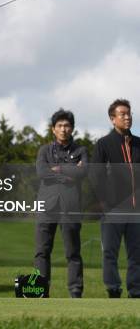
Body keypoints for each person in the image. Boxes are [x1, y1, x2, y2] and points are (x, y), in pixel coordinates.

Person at [34, 109, 87, 298]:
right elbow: (41, 173)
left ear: (72, 128)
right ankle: (40, 291)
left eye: (67, 125)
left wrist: (58, 168)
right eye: (60, 126)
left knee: (73, 252)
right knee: (42, 252)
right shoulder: (44, 151)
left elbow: (82, 173)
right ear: (53, 129)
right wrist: (69, 172)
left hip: (70, 207)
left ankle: (75, 291)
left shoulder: (81, 151)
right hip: (46, 207)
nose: (63, 129)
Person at [91, 99, 140, 298]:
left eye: (129, 114)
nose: (127, 117)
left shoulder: (138, 143)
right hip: (112, 210)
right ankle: (113, 288)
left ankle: (136, 291)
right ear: (113, 119)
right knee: (110, 253)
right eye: (123, 114)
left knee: (136, 255)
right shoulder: (103, 144)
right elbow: (96, 175)